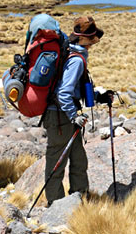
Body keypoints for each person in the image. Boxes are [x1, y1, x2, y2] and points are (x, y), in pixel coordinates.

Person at [42, 16, 107, 204]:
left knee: (78, 158)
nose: (92, 45)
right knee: (57, 161)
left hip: (64, 115)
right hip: (60, 116)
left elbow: (76, 89)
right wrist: (73, 116)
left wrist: (99, 97)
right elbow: (64, 93)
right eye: (91, 41)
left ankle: (79, 198)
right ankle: (57, 205)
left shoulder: (72, 54)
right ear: (85, 40)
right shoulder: (76, 60)